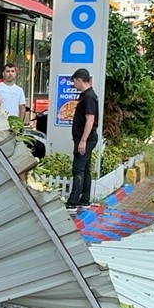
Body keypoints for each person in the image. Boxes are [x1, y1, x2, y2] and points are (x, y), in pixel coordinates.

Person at [66, 68, 99, 210]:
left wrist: (83, 141)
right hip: (85, 138)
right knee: (85, 169)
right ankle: (84, 199)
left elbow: (90, 120)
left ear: (79, 80)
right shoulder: (86, 95)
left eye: (74, 82)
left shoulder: (89, 97)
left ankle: (73, 201)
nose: (74, 85)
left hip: (86, 139)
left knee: (78, 170)